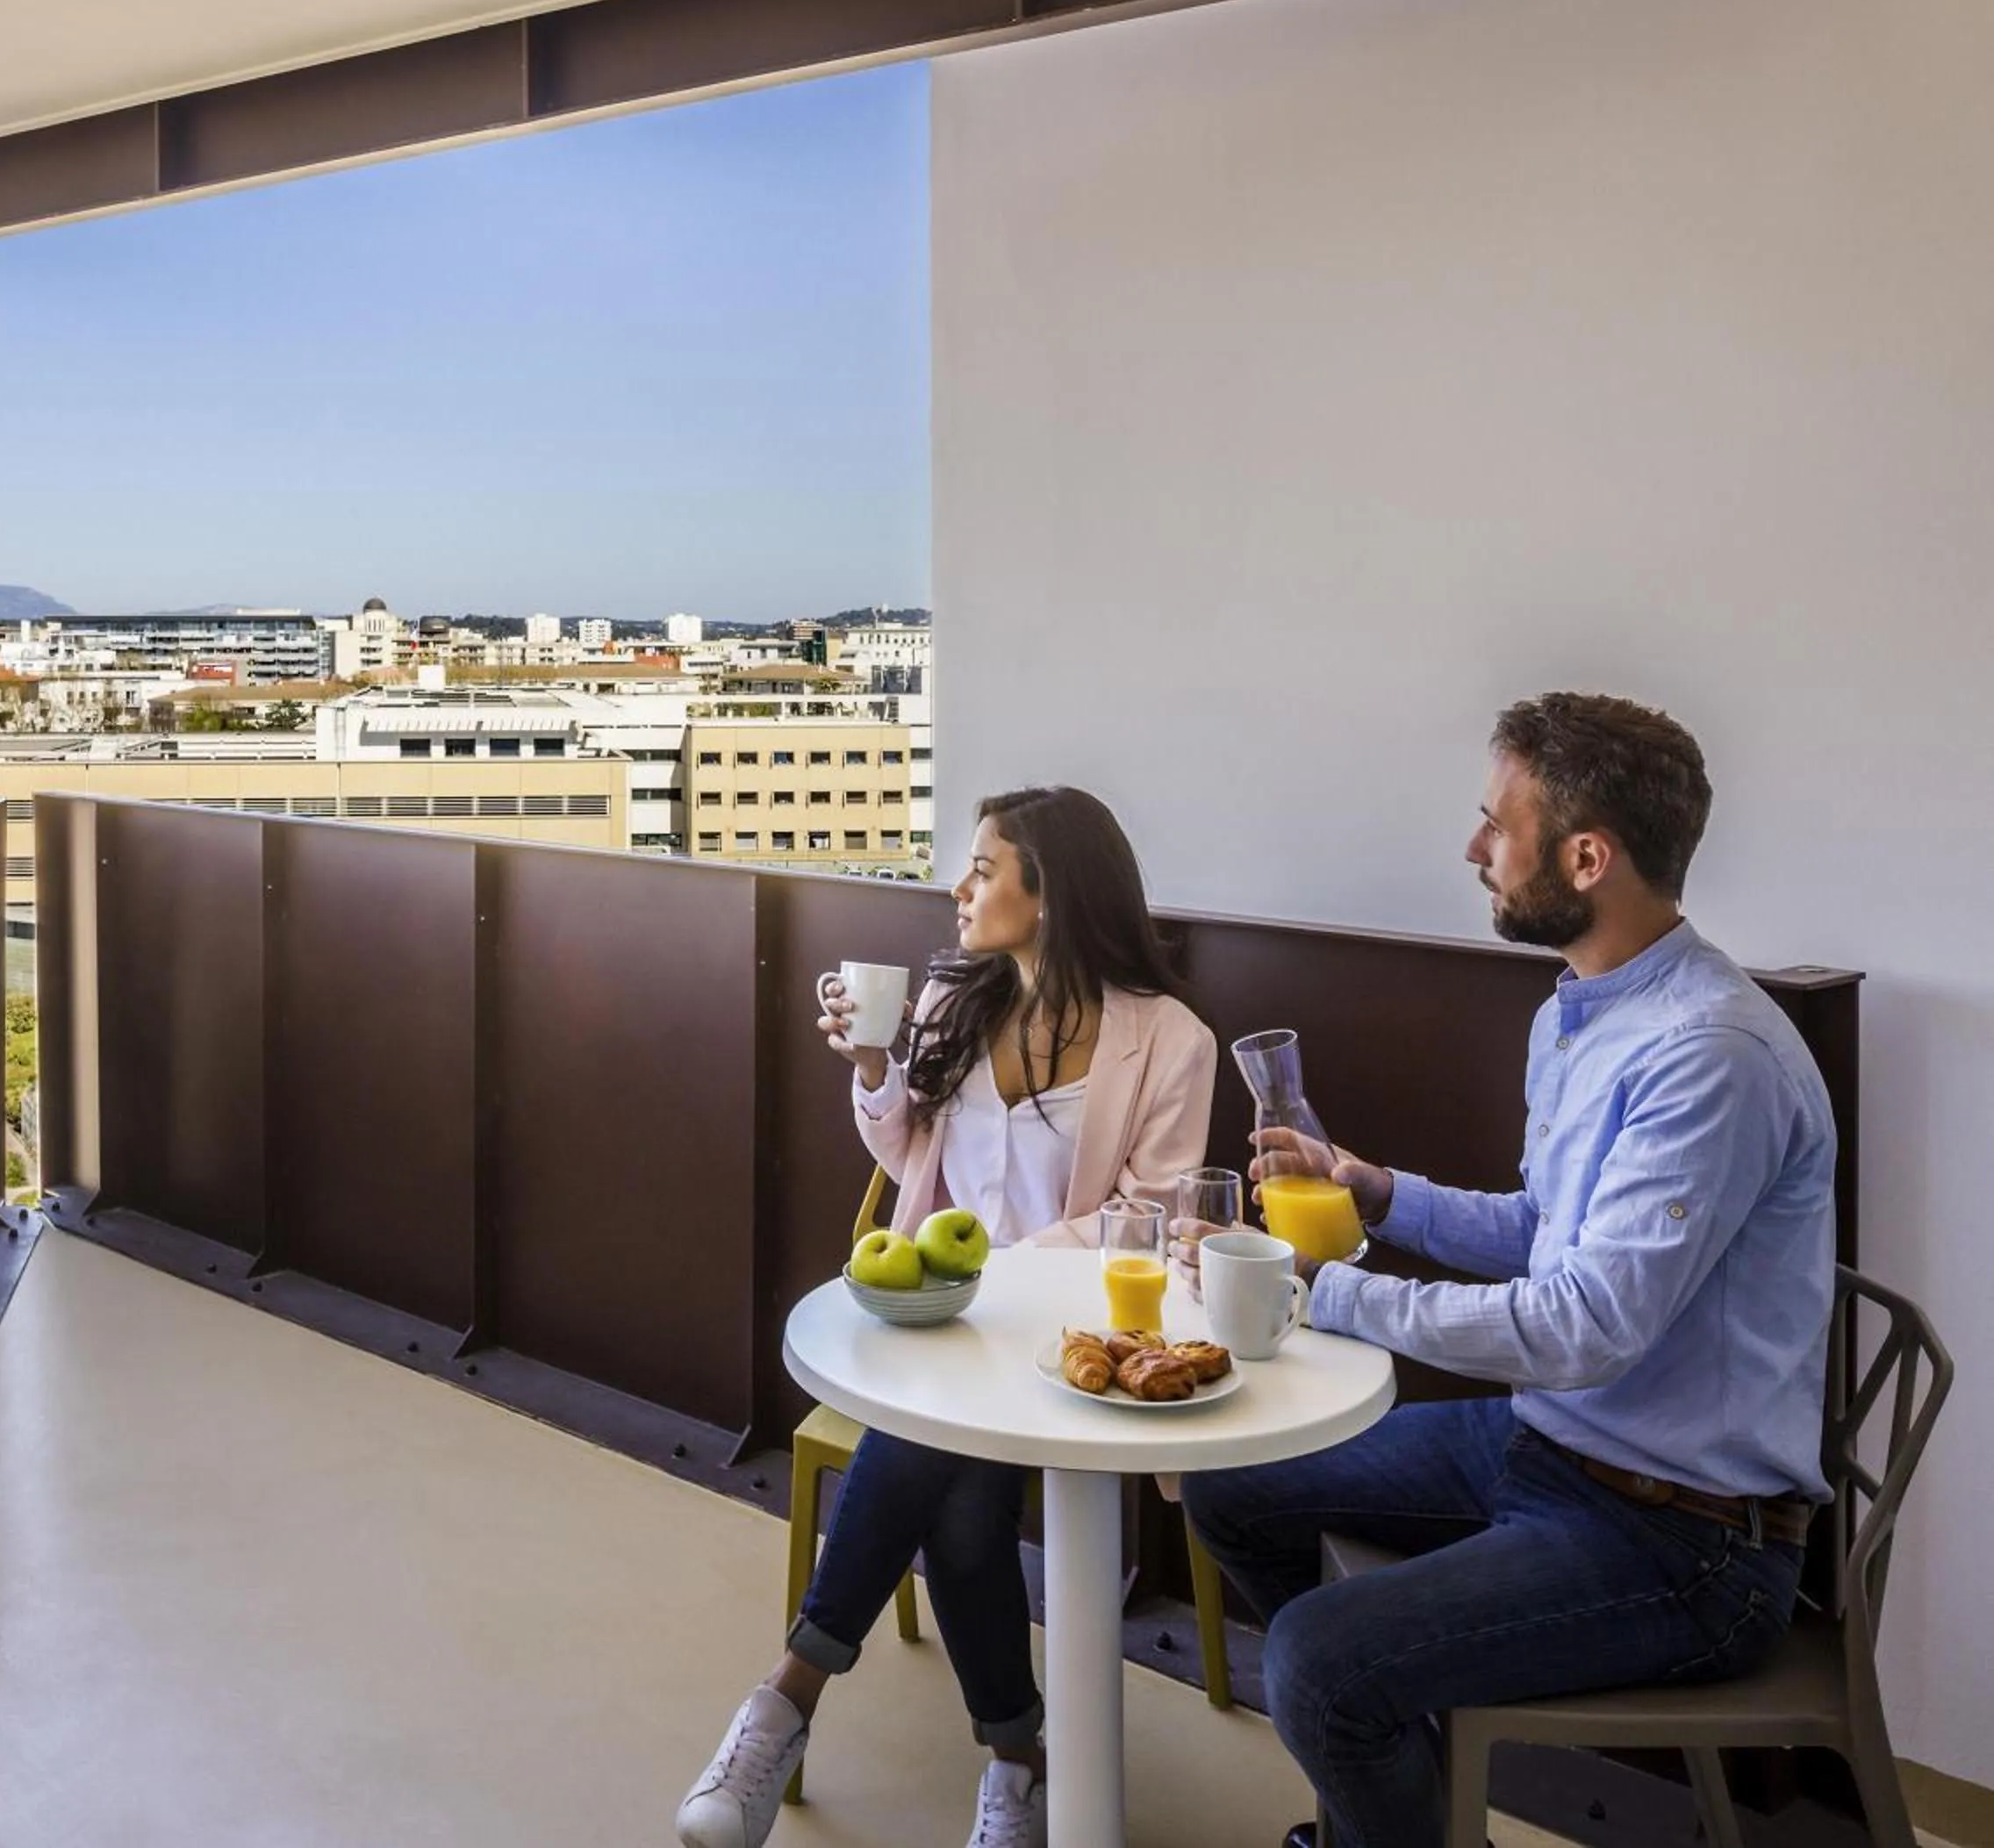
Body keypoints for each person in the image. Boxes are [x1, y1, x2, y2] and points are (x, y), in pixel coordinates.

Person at [1172, 694, 1836, 1848]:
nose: (1474, 848)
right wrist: (1379, 1192)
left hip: (1689, 1539)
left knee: (1319, 1663)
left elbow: (1587, 1327)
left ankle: (1385, 1785)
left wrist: (1318, 1295)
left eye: (1498, 824)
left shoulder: (1710, 1055)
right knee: (1231, 1483)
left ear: (1587, 858)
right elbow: (1547, 1229)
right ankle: (1409, 1806)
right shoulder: (1585, 1011)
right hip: (1558, 1445)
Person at [678, 786, 1217, 1848]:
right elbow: (908, 1152)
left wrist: (1004, 1279)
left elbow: (1148, 1220)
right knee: (960, 1506)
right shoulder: (952, 999)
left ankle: (785, 1702)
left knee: (948, 1488)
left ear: (1048, 894)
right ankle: (1014, 1766)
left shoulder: (1170, 1040)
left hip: (1070, 1341)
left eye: (982, 868)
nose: (958, 888)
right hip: (945, 1320)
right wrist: (873, 1069)